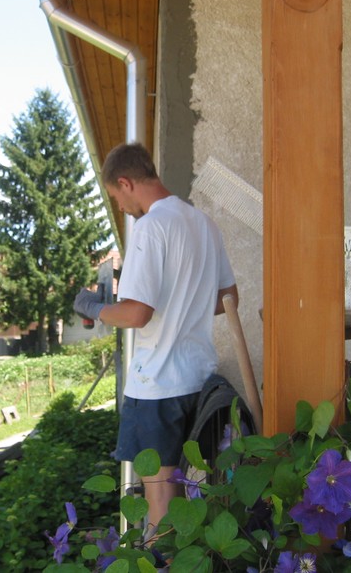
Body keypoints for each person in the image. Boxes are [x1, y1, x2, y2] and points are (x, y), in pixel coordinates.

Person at [73, 142, 238, 534]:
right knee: (188, 497)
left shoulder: (151, 226)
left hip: (157, 386)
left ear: (125, 183)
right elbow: (228, 299)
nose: (121, 208)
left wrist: (93, 308)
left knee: (160, 504)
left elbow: (136, 313)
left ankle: (159, 559)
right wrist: (186, 302)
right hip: (199, 381)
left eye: (116, 197)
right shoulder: (204, 224)